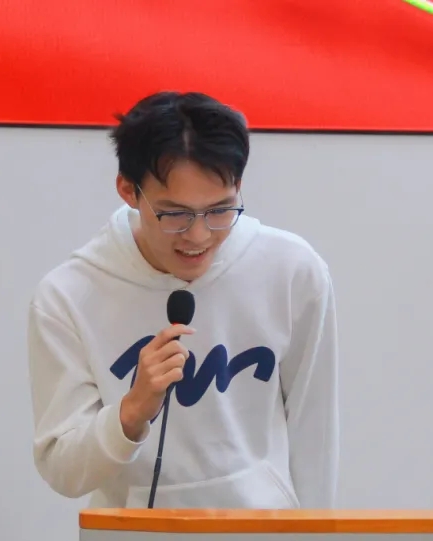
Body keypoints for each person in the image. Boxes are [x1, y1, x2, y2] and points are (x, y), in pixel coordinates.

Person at [26, 91, 339, 509]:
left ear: (238, 186)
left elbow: (314, 432)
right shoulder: (67, 296)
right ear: (128, 190)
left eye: (220, 210)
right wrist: (131, 412)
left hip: (265, 537)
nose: (198, 235)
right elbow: (62, 469)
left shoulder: (293, 271)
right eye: (174, 214)